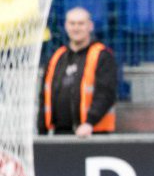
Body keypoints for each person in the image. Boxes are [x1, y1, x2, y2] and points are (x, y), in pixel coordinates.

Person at [37, 7, 117, 137]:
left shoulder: (102, 55)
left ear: (90, 26)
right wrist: (42, 131)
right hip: (60, 133)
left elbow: (106, 94)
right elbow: (44, 97)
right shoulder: (57, 57)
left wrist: (89, 123)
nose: (76, 28)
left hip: (93, 133)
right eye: (72, 23)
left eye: (81, 23)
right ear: (66, 26)